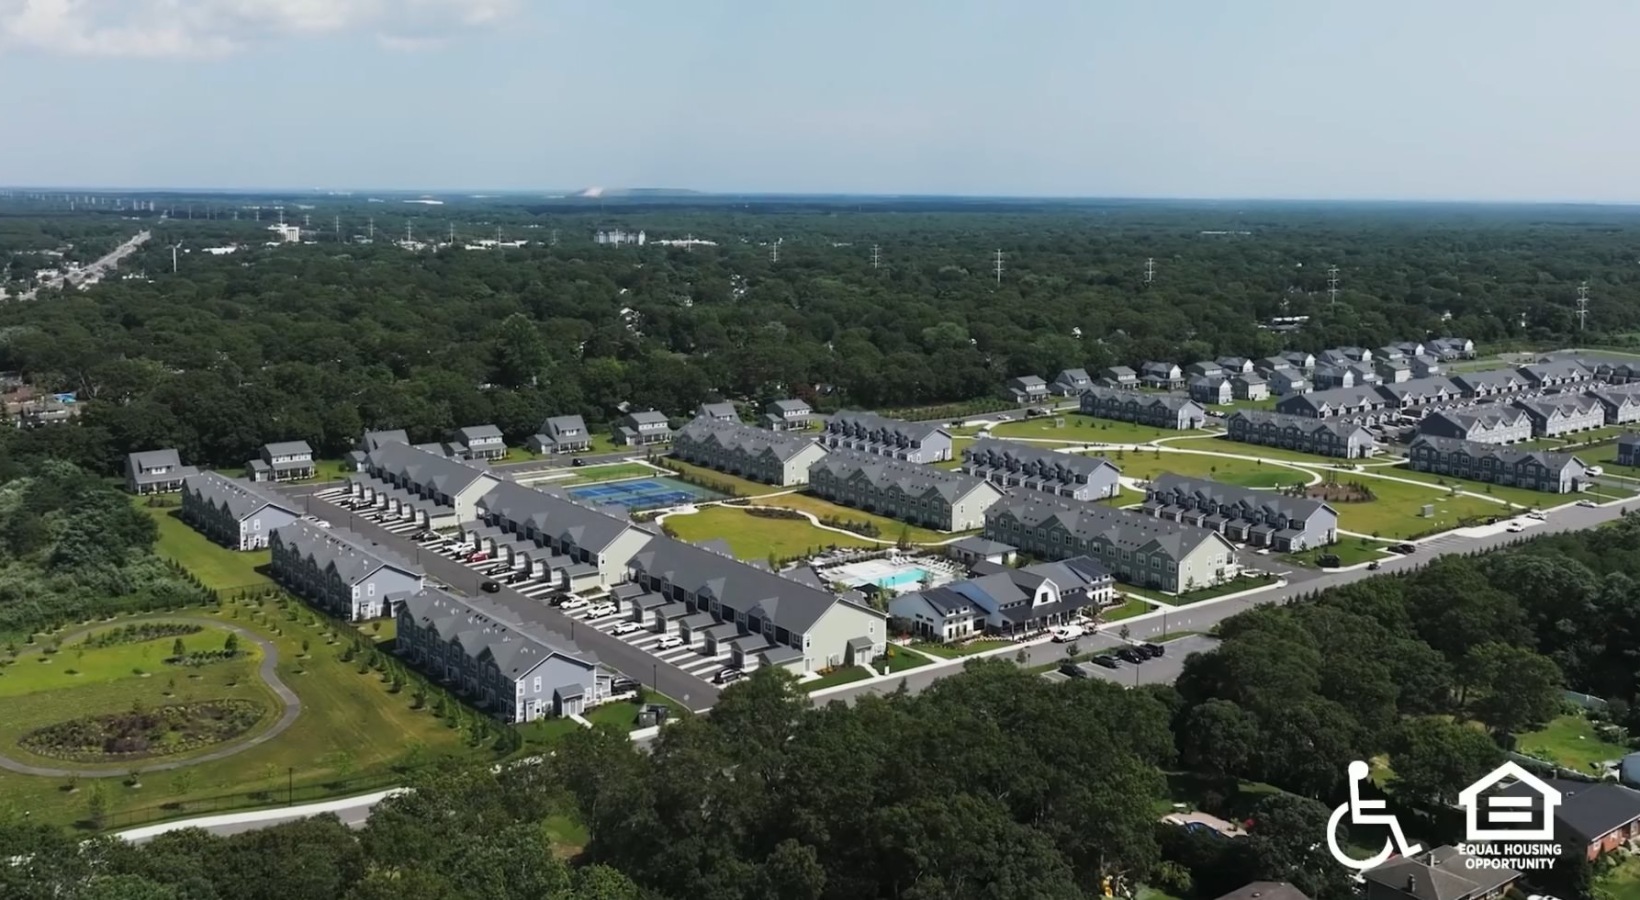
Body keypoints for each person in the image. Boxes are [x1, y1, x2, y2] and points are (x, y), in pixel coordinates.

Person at [1346, 761, 1422, 857]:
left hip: (1361, 809)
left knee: (1391, 819)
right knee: (1391, 819)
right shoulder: (1355, 782)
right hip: (1359, 814)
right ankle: (1405, 849)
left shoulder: (1355, 782)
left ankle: (1404, 848)